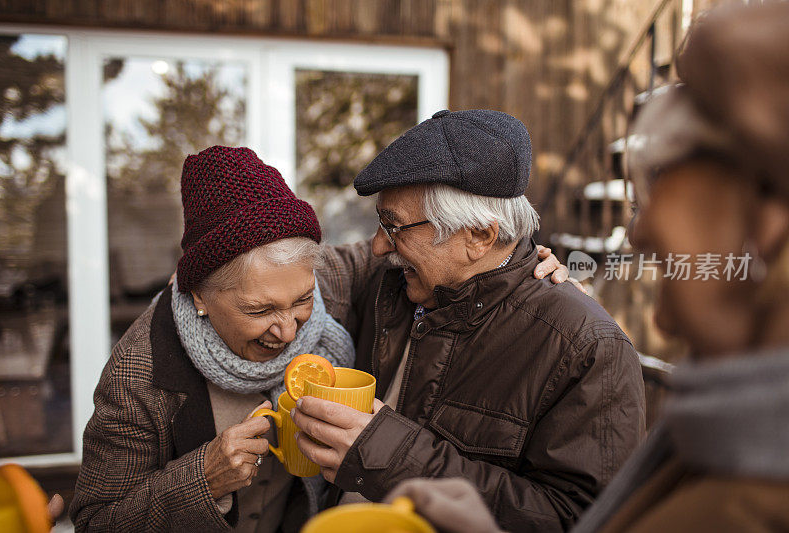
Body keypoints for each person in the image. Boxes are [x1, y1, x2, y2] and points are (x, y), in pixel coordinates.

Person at [386, 3, 789, 532]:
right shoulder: (724, 435)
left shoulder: (753, 494)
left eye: (668, 173)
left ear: (767, 213)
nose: (640, 228)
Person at [292, 109, 647, 531]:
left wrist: (391, 455)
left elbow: (582, 520)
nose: (377, 245)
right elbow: (274, 273)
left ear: (479, 235)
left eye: (395, 226)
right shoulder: (386, 277)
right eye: (379, 221)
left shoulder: (587, 348)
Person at [69, 146, 357, 532]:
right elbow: (95, 522)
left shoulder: (323, 280)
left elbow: (395, 250)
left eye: (302, 300)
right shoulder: (136, 372)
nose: (290, 331)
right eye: (260, 310)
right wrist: (202, 480)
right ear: (199, 295)